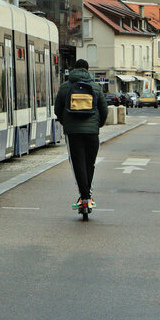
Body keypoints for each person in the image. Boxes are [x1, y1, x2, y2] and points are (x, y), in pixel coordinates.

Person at [53, 58, 108, 212]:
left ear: (73, 69)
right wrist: (98, 125)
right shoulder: (95, 87)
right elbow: (104, 110)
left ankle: (84, 197)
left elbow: (57, 109)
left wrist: (66, 123)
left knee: (78, 164)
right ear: (87, 70)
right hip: (92, 133)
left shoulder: (65, 87)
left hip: (73, 133)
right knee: (90, 163)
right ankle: (87, 196)